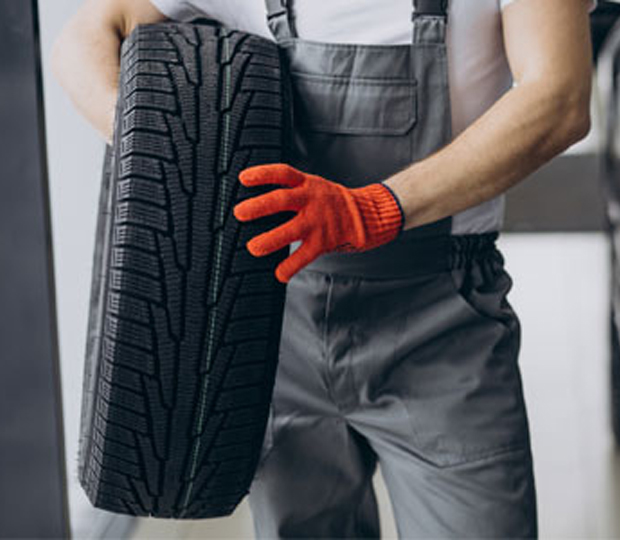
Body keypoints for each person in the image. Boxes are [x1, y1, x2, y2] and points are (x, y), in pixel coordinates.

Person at [52, 0, 595, 537]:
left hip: (442, 324)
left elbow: (558, 97)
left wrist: (377, 207)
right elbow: (90, 34)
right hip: (275, 333)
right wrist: (156, 148)